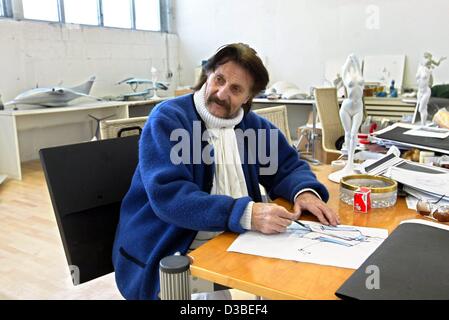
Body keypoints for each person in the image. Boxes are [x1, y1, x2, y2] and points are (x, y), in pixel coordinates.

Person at [112, 43, 339, 300]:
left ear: (248, 98)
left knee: (304, 281)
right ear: (207, 75)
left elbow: (288, 167)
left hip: (235, 241)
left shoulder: (253, 127)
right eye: (218, 79)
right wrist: (245, 214)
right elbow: (171, 197)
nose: (221, 93)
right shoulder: (168, 119)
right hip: (171, 252)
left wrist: (304, 192)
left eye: (236, 89)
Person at [339, 54, 364, 169]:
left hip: (358, 106)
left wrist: (355, 60)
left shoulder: (359, 73)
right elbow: (344, 68)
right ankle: (349, 162)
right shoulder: (346, 75)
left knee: (354, 134)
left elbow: (358, 65)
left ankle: (351, 160)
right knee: (348, 133)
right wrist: (349, 60)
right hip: (346, 107)